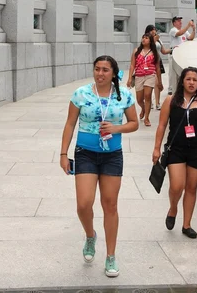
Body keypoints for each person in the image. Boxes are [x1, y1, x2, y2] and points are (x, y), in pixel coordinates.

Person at [60, 55, 138, 278]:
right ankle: (90, 235)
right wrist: (64, 153)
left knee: (110, 204)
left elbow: (134, 123)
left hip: (112, 154)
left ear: (113, 73)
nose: (100, 73)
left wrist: (116, 129)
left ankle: (111, 256)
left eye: (105, 70)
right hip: (85, 153)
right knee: (84, 204)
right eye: (97, 69)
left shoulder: (124, 95)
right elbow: (69, 123)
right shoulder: (81, 93)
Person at [152, 66, 197, 239]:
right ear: (182, 81)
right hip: (176, 149)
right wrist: (156, 148)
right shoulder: (171, 101)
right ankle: (173, 208)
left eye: (195, 79)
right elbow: (162, 125)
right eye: (188, 79)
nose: (191, 82)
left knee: (191, 188)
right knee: (177, 186)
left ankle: (187, 225)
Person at [127, 34, 162, 126]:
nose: (144, 39)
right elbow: (132, 65)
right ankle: (143, 108)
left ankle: (147, 117)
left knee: (147, 95)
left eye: (146, 38)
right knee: (139, 99)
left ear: (150, 41)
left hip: (150, 75)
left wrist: (160, 82)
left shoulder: (154, 53)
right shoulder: (136, 51)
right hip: (139, 76)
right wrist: (129, 78)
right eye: (143, 37)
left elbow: (158, 68)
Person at [144, 24, 171, 110]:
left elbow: (163, 51)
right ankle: (149, 101)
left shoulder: (158, 40)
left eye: (154, 29)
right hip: (149, 62)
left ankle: (157, 103)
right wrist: (154, 40)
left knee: (157, 82)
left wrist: (172, 49)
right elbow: (147, 49)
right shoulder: (147, 39)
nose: (154, 31)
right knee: (150, 82)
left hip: (158, 62)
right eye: (152, 30)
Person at [168, 16, 196, 94]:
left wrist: (193, 29)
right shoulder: (173, 30)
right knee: (172, 73)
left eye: (180, 20)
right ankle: (170, 89)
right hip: (173, 55)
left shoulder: (184, 31)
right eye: (178, 21)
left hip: (182, 55)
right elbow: (179, 33)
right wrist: (188, 26)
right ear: (174, 23)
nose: (180, 22)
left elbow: (190, 37)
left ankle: (180, 88)